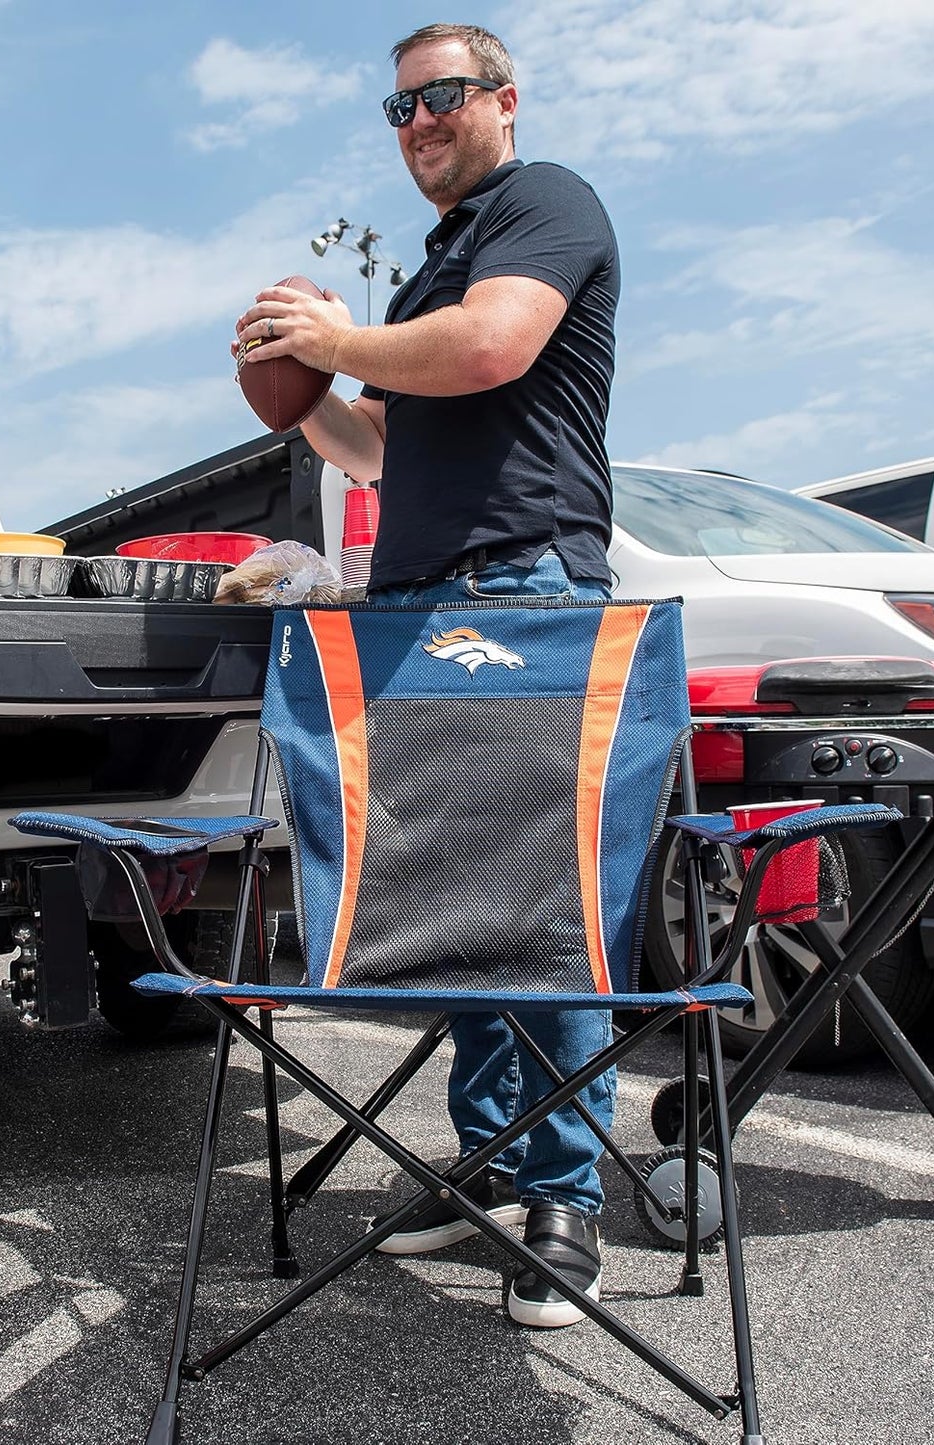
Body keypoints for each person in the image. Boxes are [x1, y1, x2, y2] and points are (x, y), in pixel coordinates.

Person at [234, 21, 620, 1330]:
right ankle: (490, 1161)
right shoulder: (436, 265)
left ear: (503, 101)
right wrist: (292, 391)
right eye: (396, 109)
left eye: (439, 98)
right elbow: (379, 449)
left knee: (541, 910)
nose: (415, 125)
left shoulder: (543, 204)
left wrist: (335, 336)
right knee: (457, 906)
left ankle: (566, 1203)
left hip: (524, 590)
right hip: (416, 601)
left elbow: (489, 350)